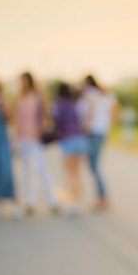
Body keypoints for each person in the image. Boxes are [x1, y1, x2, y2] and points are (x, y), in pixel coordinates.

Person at [12, 71, 59, 216]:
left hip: (36, 138)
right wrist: (15, 137)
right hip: (23, 137)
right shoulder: (19, 97)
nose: (23, 83)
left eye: (24, 80)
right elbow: (17, 119)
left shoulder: (38, 97)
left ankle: (52, 200)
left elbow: (47, 116)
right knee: (26, 171)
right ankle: (30, 202)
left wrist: (41, 129)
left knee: (41, 168)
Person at [78, 74, 119, 211]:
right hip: (102, 132)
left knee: (93, 166)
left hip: (93, 132)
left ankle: (103, 197)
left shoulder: (89, 93)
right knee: (93, 165)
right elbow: (115, 107)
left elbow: (90, 110)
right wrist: (109, 122)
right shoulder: (104, 94)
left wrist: (86, 124)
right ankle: (101, 197)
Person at [51, 82, 88, 218]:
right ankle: (78, 201)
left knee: (69, 173)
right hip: (79, 139)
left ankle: (73, 202)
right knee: (77, 173)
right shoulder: (75, 103)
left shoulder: (58, 104)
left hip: (67, 140)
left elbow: (56, 121)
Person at [0, 76, 23, 220]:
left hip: (1, 140)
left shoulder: (1, 100)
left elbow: (8, 117)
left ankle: (14, 204)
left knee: (6, 171)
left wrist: (0, 103)